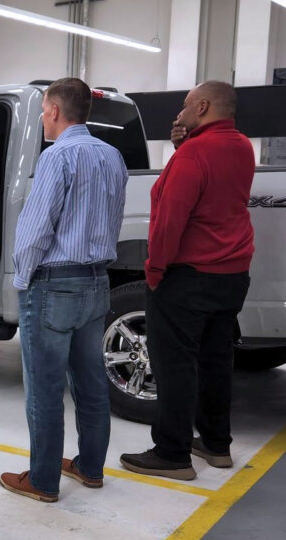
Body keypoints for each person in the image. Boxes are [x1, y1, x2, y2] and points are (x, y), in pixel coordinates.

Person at [0, 78, 128, 503]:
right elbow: (114, 218)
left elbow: (36, 228)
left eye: (43, 111)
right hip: (96, 281)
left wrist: (22, 278)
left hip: (54, 284)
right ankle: (90, 468)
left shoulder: (57, 156)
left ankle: (42, 480)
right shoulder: (112, 155)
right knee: (91, 382)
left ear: (54, 110)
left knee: (45, 388)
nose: (42, 118)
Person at [120, 81, 255, 481]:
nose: (178, 114)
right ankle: (216, 444)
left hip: (189, 276)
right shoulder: (241, 146)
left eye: (184, 106)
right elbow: (213, 186)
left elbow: (170, 219)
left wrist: (155, 269)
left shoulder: (195, 153)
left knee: (173, 365)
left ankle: (172, 454)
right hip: (232, 273)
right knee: (216, 360)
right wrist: (183, 146)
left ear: (203, 106)